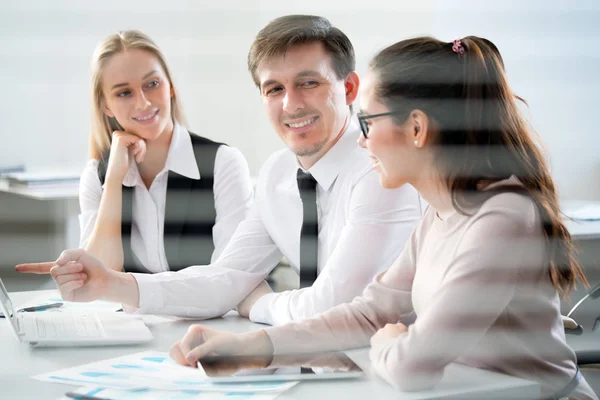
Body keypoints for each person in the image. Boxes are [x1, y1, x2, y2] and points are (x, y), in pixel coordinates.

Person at [166, 36, 598, 399]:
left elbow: (413, 363)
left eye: (368, 123)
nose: (362, 142)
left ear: (416, 129)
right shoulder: (441, 215)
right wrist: (247, 348)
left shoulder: (503, 218)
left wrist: (392, 341)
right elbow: (366, 315)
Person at [16, 16, 422, 325]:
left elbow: (331, 306)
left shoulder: (379, 167)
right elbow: (225, 277)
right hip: (319, 356)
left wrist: (256, 303)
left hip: (394, 365)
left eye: (308, 83)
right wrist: (109, 284)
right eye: (274, 89)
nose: (290, 105)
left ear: (349, 89)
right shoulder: (279, 173)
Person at [16, 30, 254, 275]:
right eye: (124, 92)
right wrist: (114, 179)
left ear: (170, 86)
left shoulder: (222, 164)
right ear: (106, 106)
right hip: (129, 314)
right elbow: (100, 277)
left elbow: (231, 278)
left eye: (152, 84)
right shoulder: (98, 176)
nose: (143, 102)